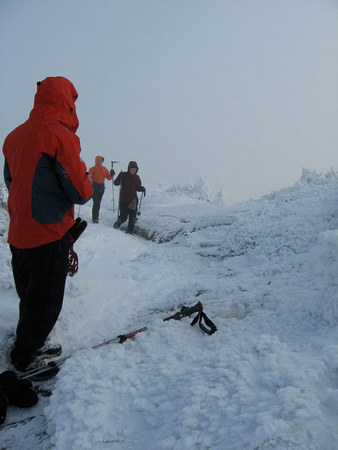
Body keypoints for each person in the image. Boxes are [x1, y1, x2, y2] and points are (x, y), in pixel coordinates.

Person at [2, 76, 93, 372]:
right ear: (67, 103)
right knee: (44, 303)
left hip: (18, 233)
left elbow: (10, 181)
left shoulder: (14, 137)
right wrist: (88, 182)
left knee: (30, 296)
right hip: (48, 234)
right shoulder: (59, 136)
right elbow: (79, 191)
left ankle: (28, 341)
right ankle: (26, 357)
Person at [113, 161, 146, 234]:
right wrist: (119, 176)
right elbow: (115, 183)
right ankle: (115, 227)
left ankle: (129, 232)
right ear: (129, 168)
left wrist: (142, 188)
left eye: (134, 169)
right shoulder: (123, 175)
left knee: (132, 218)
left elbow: (137, 187)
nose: (133, 170)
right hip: (124, 199)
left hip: (133, 200)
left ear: (136, 170)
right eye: (132, 168)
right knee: (123, 217)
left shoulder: (137, 177)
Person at [88, 156, 115, 223]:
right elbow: (88, 177)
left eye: (101, 161)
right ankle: (95, 218)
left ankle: (96, 217)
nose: (100, 162)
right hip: (93, 188)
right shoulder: (92, 169)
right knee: (96, 203)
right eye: (99, 161)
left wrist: (112, 174)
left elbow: (108, 178)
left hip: (101, 188)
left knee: (98, 203)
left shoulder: (104, 169)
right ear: (96, 161)